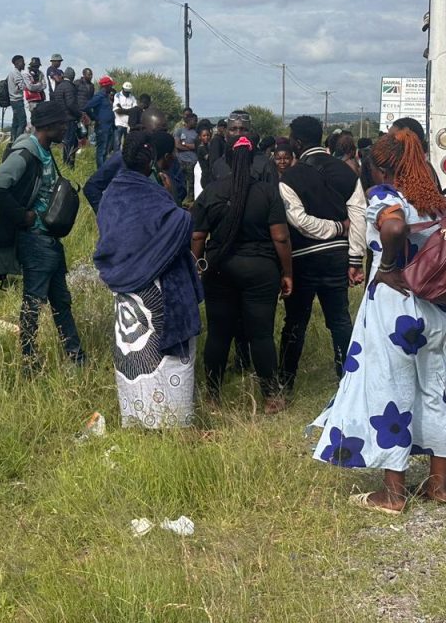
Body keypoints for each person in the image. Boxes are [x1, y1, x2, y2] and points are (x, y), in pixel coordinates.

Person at [311, 129, 446, 514]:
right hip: (442, 311)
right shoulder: (442, 205)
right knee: (436, 391)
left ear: (380, 169)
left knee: (390, 392)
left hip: (398, 312)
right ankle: (439, 486)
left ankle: (394, 494)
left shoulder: (385, 196)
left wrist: (390, 267)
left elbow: (393, 227)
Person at [94, 130, 203, 428]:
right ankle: (172, 422)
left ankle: (136, 417)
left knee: (134, 356)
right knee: (163, 359)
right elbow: (180, 226)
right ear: (152, 160)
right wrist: (172, 197)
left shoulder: (111, 193)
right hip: (159, 291)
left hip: (128, 297)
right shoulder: (152, 194)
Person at [192, 136, 294, 409]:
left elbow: (198, 236)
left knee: (218, 334)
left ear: (226, 160)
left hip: (219, 270)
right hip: (261, 271)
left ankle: (212, 397)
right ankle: (271, 397)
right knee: (261, 335)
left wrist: (197, 265)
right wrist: (287, 272)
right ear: (252, 162)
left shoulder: (211, 191)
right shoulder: (267, 191)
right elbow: (280, 237)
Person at [0, 101, 85, 372]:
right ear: (49, 126)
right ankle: (29, 361)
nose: (65, 129)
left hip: (48, 240)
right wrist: (21, 215)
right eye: (62, 124)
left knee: (61, 302)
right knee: (33, 303)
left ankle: (76, 359)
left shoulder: (44, 150)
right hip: (35, 240)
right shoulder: (26, 152)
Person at [278, 116, 367, 394]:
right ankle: (348, 383)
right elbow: (359, 217)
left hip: (303, 260)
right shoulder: (347, 173)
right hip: (337, 259)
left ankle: (285, 384)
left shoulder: (289, 178)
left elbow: (299, 221)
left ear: (297, 142)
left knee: (295, 323)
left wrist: (332, 228)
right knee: (340, 321)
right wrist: (355, 258)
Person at [84, 129, 175, 214]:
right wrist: (106, 215)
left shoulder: (165, 178)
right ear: (167, 156)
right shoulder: (124, 158)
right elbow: (91, 187)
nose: (174, 157)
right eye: (173, 154)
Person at [83, 76, 116, 168]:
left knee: (106, 151)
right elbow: (87, 107)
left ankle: (103, 169)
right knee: (102, 151)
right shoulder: (99, 97)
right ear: (106, 86)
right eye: (111, 86)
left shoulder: (106, 97)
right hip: (102, 128)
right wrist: (95, 118)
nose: (112, 88)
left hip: (109, 127)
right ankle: (100, 170)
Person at [52, 67, 81, 167]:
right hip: (69, 118)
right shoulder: (69, 87)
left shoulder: (59, 86)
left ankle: (67, 164)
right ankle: (68, 165)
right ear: (72, 76)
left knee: (67, 142)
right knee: (70, 142)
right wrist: (79, 114)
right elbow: (71, 104)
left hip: (61, 118)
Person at [174, 108, 199, 203]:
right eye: (194, 120)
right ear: (189, 121)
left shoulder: (197, 133)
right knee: (180, 181)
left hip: (192, 161)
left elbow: (196, 146)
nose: (196, 122)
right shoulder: (179, 131)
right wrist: (190, 147)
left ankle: (190, 200)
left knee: (191, 182)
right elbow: (177, 145)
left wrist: (184, 144)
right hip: (180, 161)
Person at [7, 55, 28, 140]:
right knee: (22, 122)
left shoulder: (12, 73)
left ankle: (12, 140)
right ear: (17, 63)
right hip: (17, 100)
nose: (24, 64)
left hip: (13, 100)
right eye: (22, 62)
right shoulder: (16, 73)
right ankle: (17, 141)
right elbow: (22, 86)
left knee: (15, 123)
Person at [113, 81, 138, 151]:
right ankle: (116, 156)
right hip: (119, 123)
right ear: (122, 89)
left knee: (127, 144)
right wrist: (129, 111)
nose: (127, 93)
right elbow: (118, 111)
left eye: (128, 91)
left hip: (128, 125)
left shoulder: (132, 98)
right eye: (126, 91)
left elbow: (135, 110)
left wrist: (123, 110)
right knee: (117, 143)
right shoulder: (117, 95)